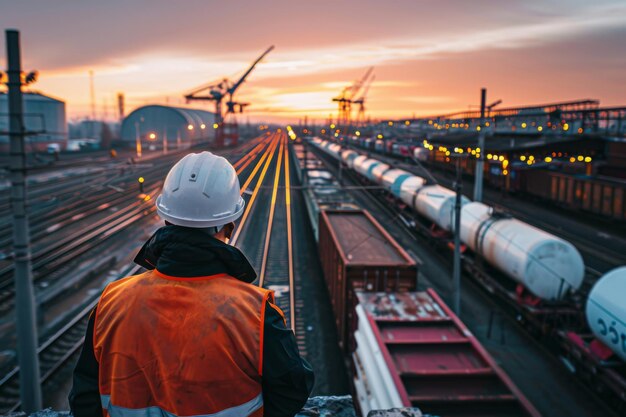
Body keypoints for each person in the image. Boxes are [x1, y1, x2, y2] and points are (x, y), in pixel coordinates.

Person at [69, 151, 314, 417]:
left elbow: (84, 398)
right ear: (228, 226)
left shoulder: (112, 301)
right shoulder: (254, 311)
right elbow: (294, 388)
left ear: (166, 219)